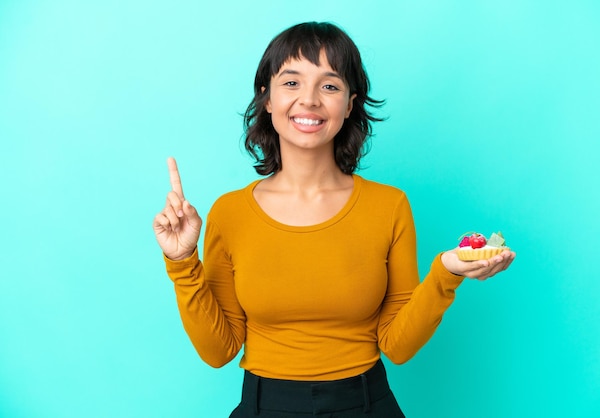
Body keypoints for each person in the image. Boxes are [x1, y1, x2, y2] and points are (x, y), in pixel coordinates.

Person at [153, 22, 515, 417]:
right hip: (265, 406)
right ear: (267, 97)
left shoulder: (389, 206)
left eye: (329, 86)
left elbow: (398, 345)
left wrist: (447, 272)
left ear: (349, 103)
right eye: (291, 83)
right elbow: (219, 350)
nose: (308, 100)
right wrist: (182, 262)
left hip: (365, 404)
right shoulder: (230, 213)